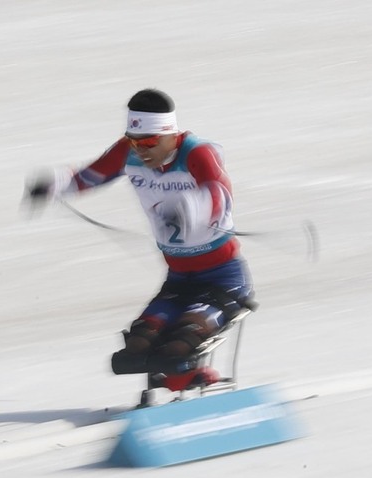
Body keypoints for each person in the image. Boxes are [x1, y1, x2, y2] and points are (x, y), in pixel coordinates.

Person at [26, 88, 255, 381]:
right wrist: (52, 185)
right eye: (133, 141)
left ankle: (192, 379)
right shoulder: (128, 152)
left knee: (179, 344)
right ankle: (180, 381)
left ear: (171, 134)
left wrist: (189, 209)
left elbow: (219, 194)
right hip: (178, 279)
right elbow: (89, 176)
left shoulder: (197, 153)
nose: (140, 150)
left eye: (148, 141)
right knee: (133, 351)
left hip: (222, 278)